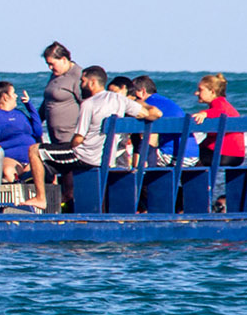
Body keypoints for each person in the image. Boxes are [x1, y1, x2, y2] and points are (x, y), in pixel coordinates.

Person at [26, 65, 159, 210]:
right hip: (108, 158)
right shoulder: (118, 99)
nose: (80, 85)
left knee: (35, 150)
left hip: (87, 157)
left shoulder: (88, 104)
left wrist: (68, 145)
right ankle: (66, 196)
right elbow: (152, 114)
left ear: (92, 82)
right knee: (59, 155)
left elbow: (78, 139)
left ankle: (41, 198)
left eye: (83, 81)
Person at [190, 73, 247, 166]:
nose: (196, 93)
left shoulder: (219, 104)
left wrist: (205, 113)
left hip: (223, 154)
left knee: (188, 158)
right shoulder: (225, 104)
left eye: (200, 90)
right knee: (195, 152)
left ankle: (197, 181)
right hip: (238, 156)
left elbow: (221, 111)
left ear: (212, 92)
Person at [129, 75, 187, 165]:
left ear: (143, 91)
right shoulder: (164, 101)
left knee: (147, 151)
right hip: (191, 154)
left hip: (173, 155)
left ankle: (142, 175)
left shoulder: (149, 104)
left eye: (133, 92)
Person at [0, 81, 41, 183]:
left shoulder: (20, 114)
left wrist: (29, 105)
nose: (16, 96)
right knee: (9, 172)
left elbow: (38, 131)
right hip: (11, 159)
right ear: (5, 97)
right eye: (13, 93)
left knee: (44, 171)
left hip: (31, 157)